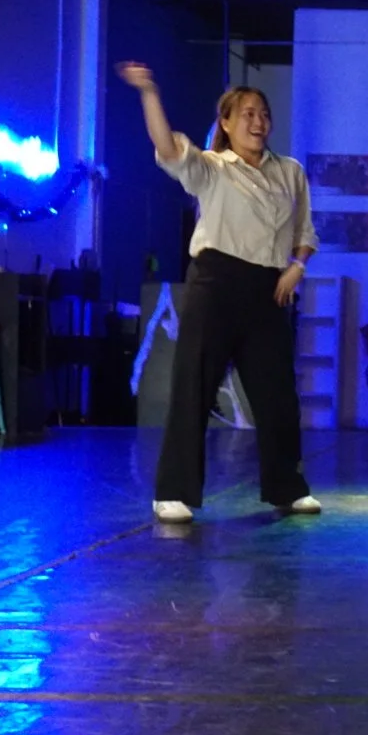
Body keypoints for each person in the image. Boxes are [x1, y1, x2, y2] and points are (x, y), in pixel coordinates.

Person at [117, 62, 322, 524]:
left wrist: (296, 267)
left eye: (264, 113)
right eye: (247, 113)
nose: (258, 121)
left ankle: (287, 488)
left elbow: (304, 232)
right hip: (217, 280)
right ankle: (173, 492)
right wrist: (149, 91)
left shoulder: (290, 172)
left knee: (278, 395)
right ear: (226, 124)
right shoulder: (212, 169)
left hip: (269, 287)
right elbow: (167, 147)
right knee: (194, 387)